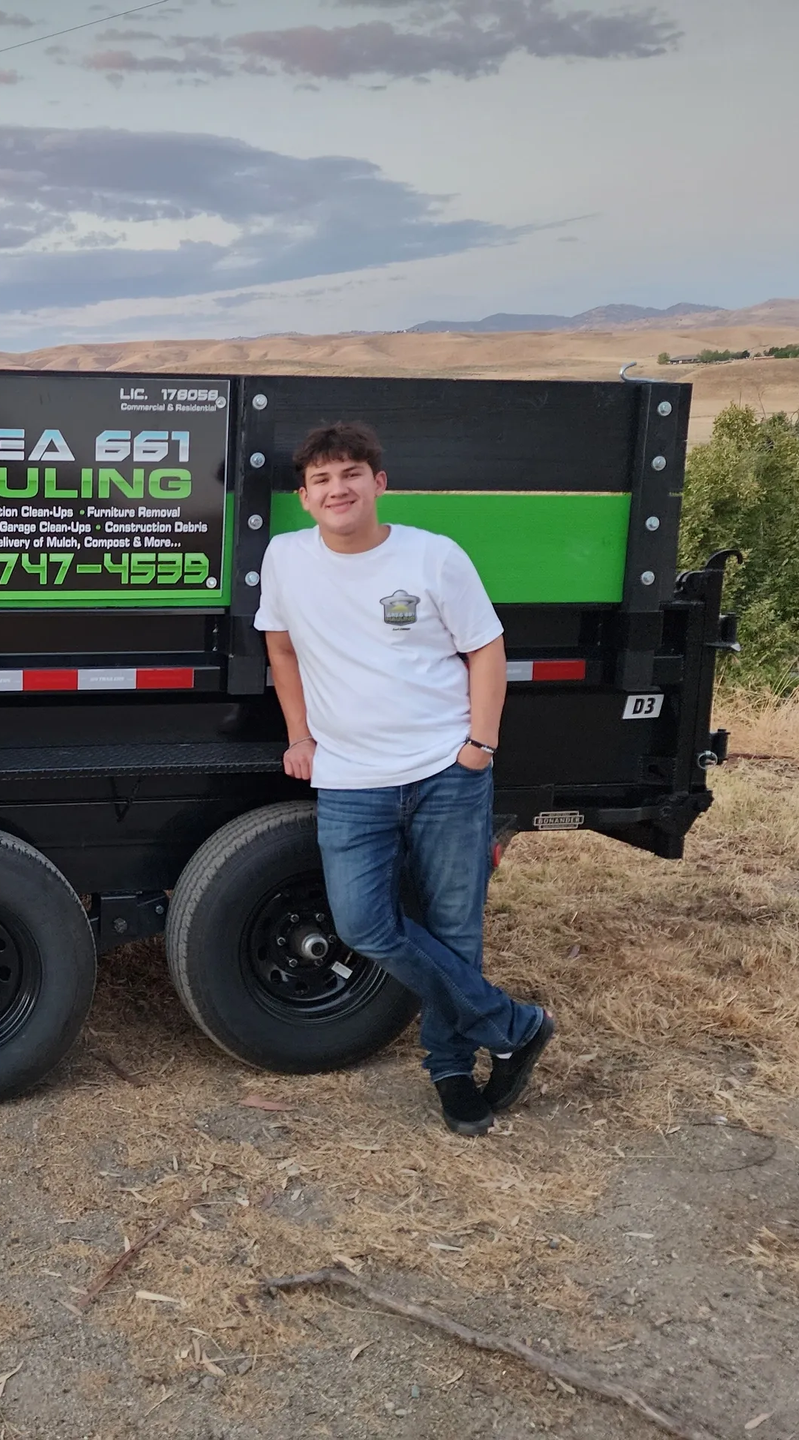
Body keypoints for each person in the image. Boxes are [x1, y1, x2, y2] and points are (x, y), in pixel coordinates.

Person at [255, 421, 555, 1136]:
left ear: (379, 483)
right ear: (305, 498)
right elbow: (282, 651)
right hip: (351, 778)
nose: (338, 489)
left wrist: (479, 746)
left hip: (445, 772)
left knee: (454, 930)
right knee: (363, 924)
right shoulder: (286, 559)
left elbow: (486, 650)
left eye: (351, 474)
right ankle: (513, 1023)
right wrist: (300, 736)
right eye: (322, 480)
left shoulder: (433, 557)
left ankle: (451, 1070)